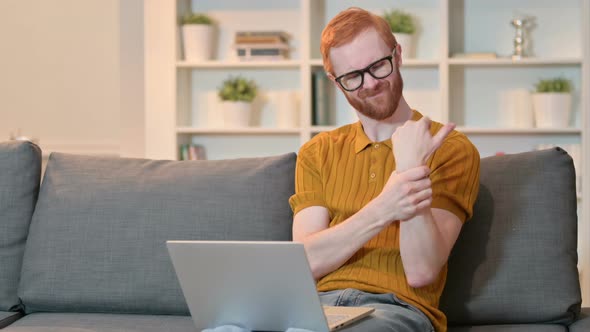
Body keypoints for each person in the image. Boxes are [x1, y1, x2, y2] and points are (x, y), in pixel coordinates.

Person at [288, 7, 480, 332]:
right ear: (337, 83)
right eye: (353, 76)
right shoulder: (317, 152)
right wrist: (387, 205)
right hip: (316, 308)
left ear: (398, 55)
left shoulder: (449, 148)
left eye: (378, 66)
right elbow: (304, 263)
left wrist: (411, 168)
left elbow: (421, 272)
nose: (370, 84)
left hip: (396, 310)